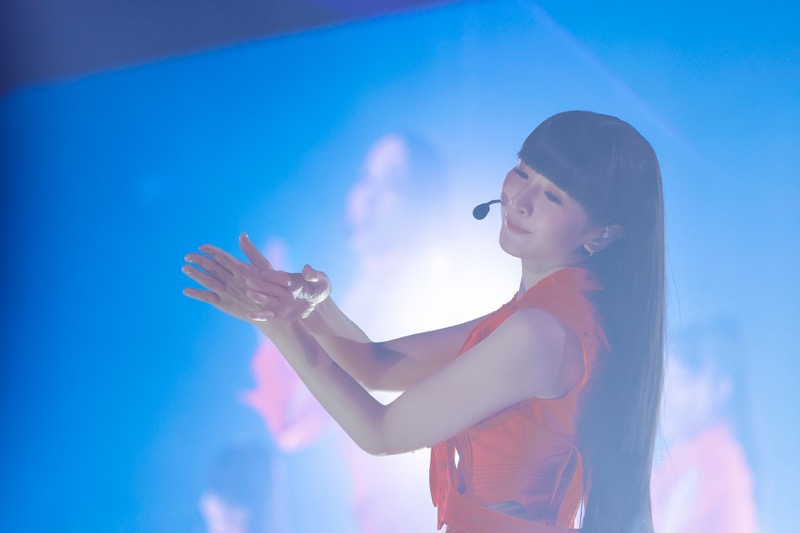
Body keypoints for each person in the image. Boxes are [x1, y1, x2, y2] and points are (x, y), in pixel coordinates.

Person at [182, 110, 666, 532]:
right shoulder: (549, 313)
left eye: (554, 196)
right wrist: (310, 308)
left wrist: (274, 324)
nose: (521, 199)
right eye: (523, 171)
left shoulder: (539, 332)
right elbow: (378, 366)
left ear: (602, 235)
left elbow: (381, 432)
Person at [651, 319, 759, 532]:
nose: (668, 396)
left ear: (720, 388)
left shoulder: (714, 465)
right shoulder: (688, 458)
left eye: (684, 381)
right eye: (666, 380)